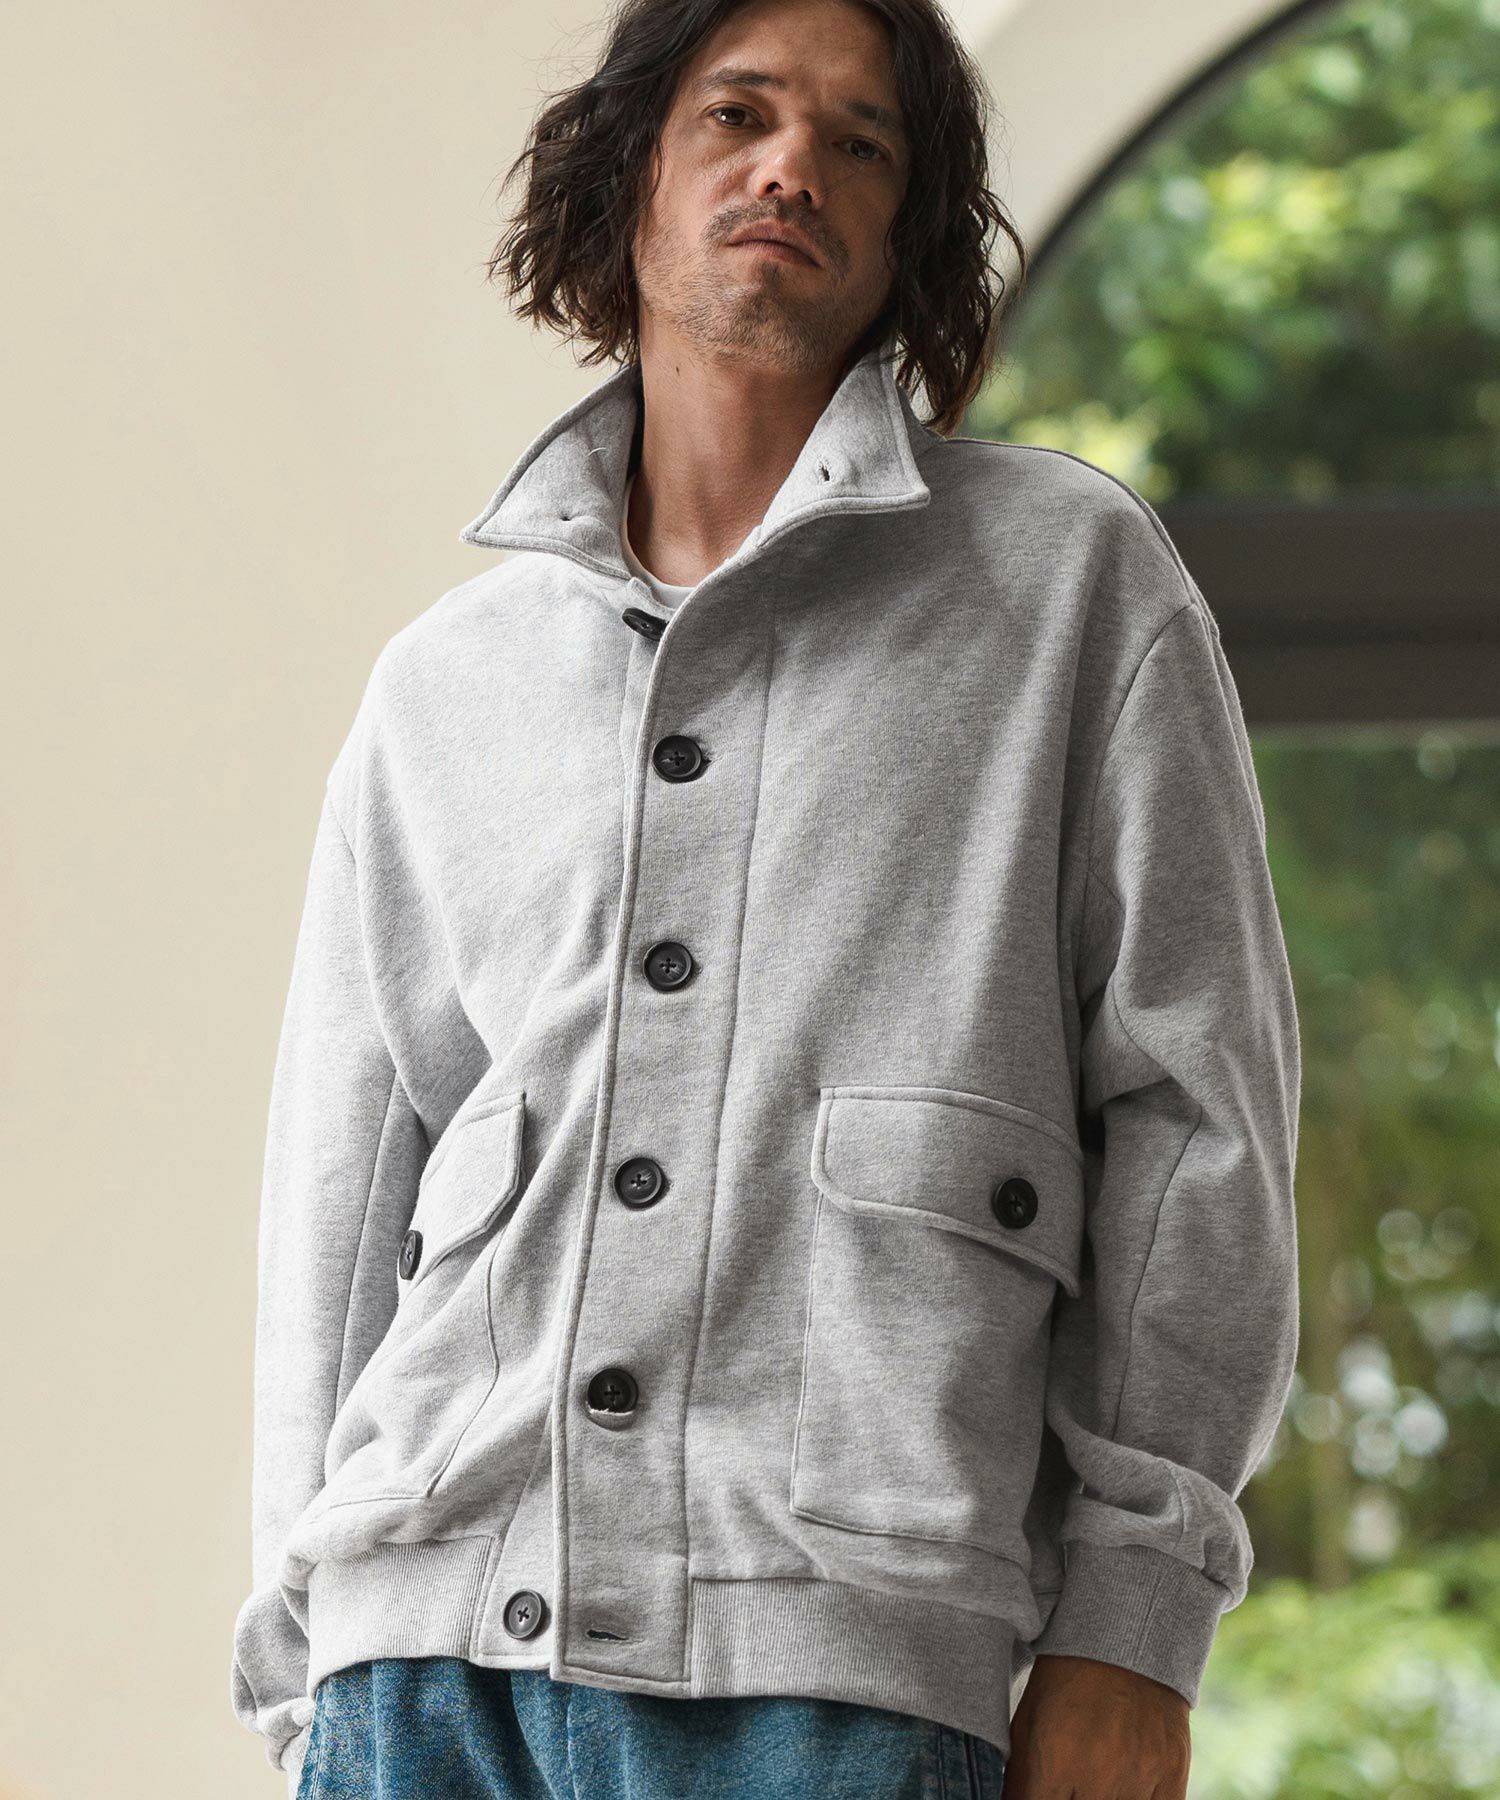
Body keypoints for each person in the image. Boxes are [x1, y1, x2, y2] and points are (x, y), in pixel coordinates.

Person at [230, 0, 1303, 1793]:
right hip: (418, 1677)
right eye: (738, 115)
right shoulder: (444, 687)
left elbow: (1202, 1119)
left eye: (859, 143)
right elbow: (343, 1197)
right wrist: (302, 1669)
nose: (793, 164)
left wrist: (1134, 1625)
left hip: (838, 1669)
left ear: (904, 232)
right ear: (632, 175)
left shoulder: (1069, 591)